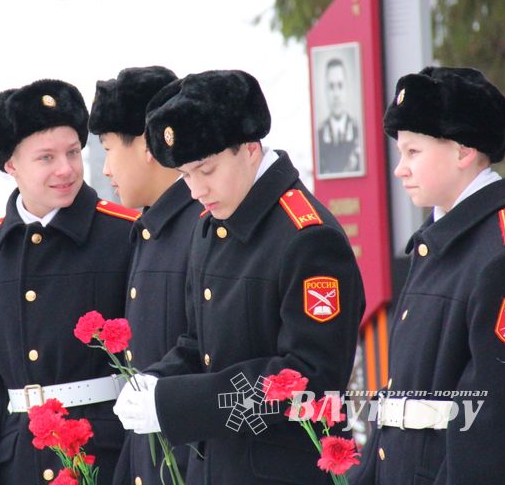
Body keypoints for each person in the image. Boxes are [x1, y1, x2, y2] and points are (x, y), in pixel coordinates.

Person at [113, 70, 365, 484]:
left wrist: (179, 402)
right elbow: (199, 345)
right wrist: (155, 380)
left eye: (206, 171)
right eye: (185, 176)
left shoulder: (308, 237)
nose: (196, 190)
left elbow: (307, 379)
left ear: (250, 149)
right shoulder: (211, 225)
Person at [0, 79, 137, 484]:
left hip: (106, 456)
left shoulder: (127, 235)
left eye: (72, 152)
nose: (65, 169)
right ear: (10, 165)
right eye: (45, 158)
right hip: (18, 464)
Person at [351, 67, 505, 485]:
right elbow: (401, 399)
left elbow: (495, 426)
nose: (400, 169)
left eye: (413, 152)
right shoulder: (438, 243)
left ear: (463, 151)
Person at [88, 66, 204, 484]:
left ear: (148, 146)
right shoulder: (149, 228)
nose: (104, 170)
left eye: (108, 150)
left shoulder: (202, 228)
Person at [317, 58, 362, 175]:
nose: (336, 94)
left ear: (347, 88)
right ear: (325, 91)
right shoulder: (319, 135)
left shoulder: (359, 131)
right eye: (331, 87)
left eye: (340, 85)